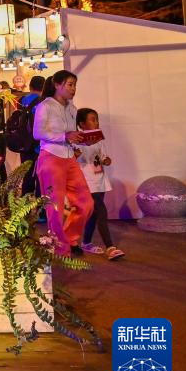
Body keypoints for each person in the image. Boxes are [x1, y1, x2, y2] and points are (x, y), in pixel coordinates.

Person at [33, 70, 93, 257]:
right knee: (55, 208)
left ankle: (69, 238)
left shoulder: (72, 109)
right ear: (57, 85)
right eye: (70, 84)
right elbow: (37, 133)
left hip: (69, 158)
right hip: (51, 158)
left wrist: (82, 140)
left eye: (75, 85)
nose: (73, 89)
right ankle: (60, 248)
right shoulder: (45, 106)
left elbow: (71, 135)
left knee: (86, 202)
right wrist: (64, 136)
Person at [76, 108, 124, 260]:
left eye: (97, 119)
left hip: (99, 179)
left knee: (95, 213)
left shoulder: (99, 139)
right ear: (82, 124)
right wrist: (77, 152)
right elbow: (74, 159)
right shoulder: (77, 140)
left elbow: (103, 157)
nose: (96, 122)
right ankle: (110, 247)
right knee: (101, 210)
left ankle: (86, 242)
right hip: (88, 180)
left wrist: (106, 160)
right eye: (92, 120)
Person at [20, 76, 45, 196]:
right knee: (40, 178)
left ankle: (25, 203)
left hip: (24, 144)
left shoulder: (22, 100)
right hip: (38, 145)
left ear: (30, 86)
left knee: (27, 175)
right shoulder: (44, 102)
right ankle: (39, 204)